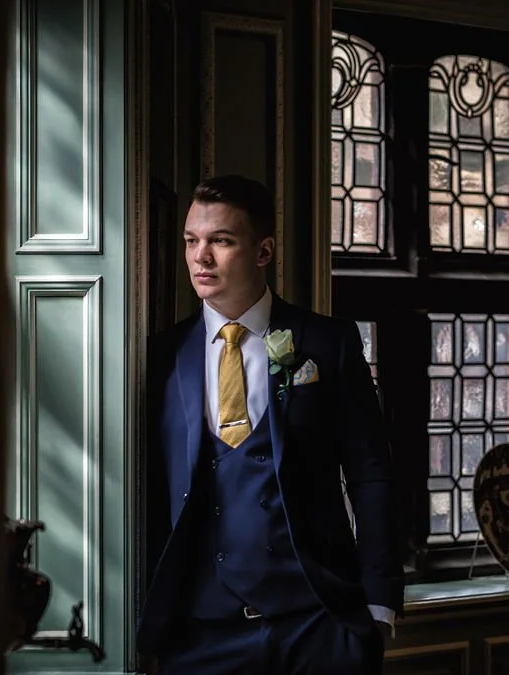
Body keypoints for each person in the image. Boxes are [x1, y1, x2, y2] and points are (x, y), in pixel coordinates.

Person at [136, 175, 404, 674]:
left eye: (221, 241)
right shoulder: (162, 358)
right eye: (192, 241)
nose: (201, 258)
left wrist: (380, 602)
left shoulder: (329, 344)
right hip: (201, 635)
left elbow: (371, 474)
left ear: (263, 252)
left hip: (318, 626)